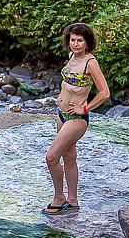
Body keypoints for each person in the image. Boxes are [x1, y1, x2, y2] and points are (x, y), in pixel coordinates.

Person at [43, 23, 111, 215]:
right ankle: (73, 200)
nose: (75, 44)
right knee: (69, 157)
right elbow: (68, 83)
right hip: (61, 115)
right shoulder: (71, 57)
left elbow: (104, 93)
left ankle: (59, 197)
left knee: (51, 158)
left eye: (79, 40)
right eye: (72, 40)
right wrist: (60, 97)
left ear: (88, 42)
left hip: (76, 119)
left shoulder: (91, 63)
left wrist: (85, 108)